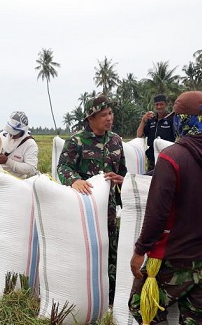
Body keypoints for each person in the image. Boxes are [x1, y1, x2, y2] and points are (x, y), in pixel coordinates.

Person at [129, 91, 202, 324]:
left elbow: (157, 214)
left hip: (175, 257)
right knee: (198, 317)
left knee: (142, 305)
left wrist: (140, 250)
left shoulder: (171, 158)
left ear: (181, 120)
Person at [57, 93, 127, 306]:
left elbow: (123, 171)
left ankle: (111, 300)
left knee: (112, 252)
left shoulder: (115, 141)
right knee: (87, 252)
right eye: (104, 115)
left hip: (109, 209)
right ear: (91, 119)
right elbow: (63, 166)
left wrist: (122, 181)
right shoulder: (77, 141)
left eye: (111, 113)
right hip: (85, 209)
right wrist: (74, 180)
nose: (109, 118)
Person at [136, 94, 176, 172]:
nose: (159, 107)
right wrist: (143, 121)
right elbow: (139, 135)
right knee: (150, 181)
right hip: (152, 160)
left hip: (167, 158)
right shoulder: (151, 120)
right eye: (157, 104)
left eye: (161, 104)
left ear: (166, 105)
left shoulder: (171, 119)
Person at [0, 111, 38, 178]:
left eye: (14, 132)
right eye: (10, 131)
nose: (11, 134)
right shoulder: (2, 135)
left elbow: (31, 169)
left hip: (15, 181)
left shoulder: (30, 144)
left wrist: (7, 161)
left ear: (23, 131)